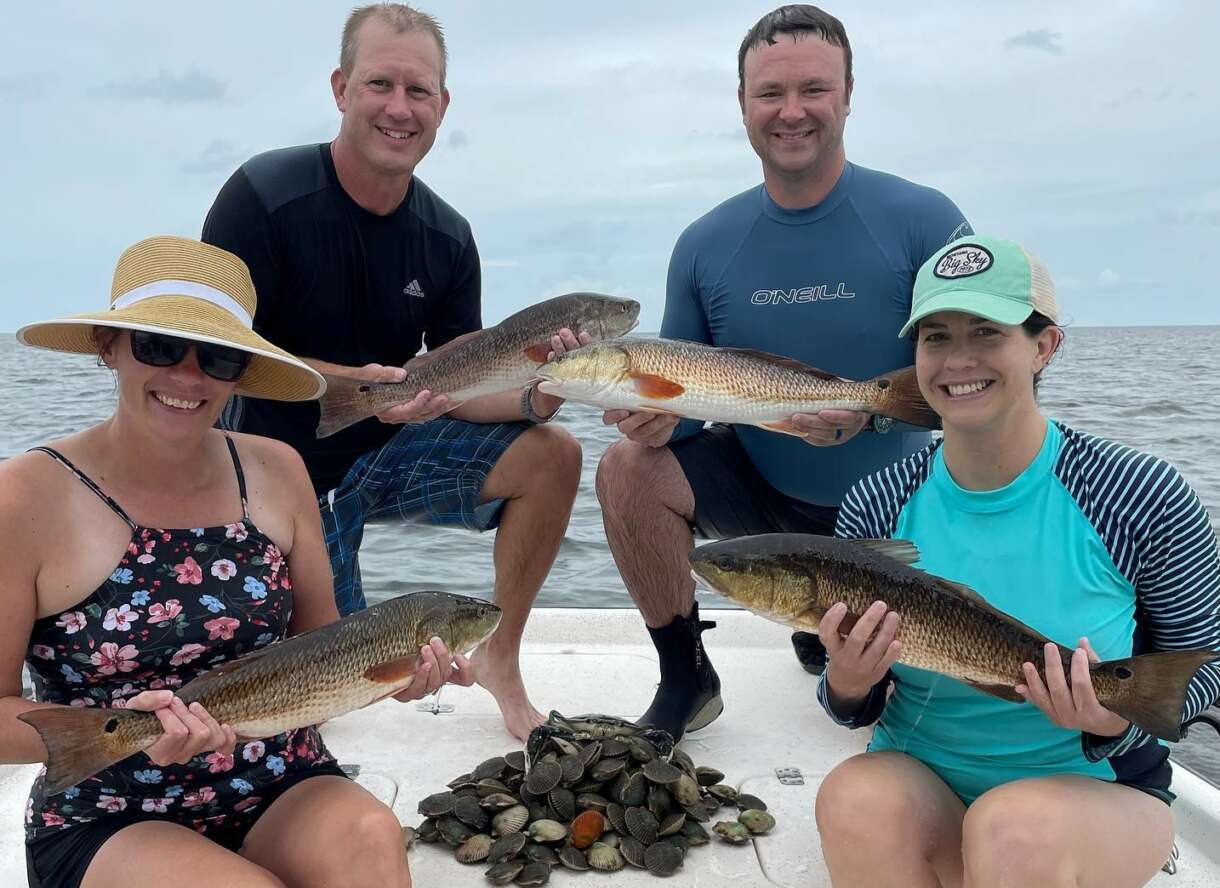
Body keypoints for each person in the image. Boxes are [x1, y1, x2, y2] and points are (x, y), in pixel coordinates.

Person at [4, 236, 472, 888]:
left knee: (371, 839)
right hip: (111, 808)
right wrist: (120, 732)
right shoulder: (24, 495)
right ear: (108, 347)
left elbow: (324, 647)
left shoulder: (278, 471)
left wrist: (396, 675)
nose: (189, 376)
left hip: (276, 775)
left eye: (219, 357)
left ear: (240, 373)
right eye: (159, 347)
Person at [202, 3, 586, 742]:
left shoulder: (447, 236)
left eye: (420, 91)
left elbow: (462, 391)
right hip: (275, 477)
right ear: (341, 87)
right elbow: (212, 361)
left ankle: (501, 658)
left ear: (443, 105)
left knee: (553, 452)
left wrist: (540, 392)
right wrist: (357, 385)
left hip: (385, 454)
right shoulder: (264, 197)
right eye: (381, 84)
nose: (399, 108)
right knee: (324, 706)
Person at [595, 4, 971, 741]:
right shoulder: (705, 244)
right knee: (626, 465)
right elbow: (688, 401)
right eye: (770, 93)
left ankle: (826, 625)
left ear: (849, 94)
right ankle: (686, 678)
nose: (791, 111)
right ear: (741, 103)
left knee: (911, 702)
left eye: (813, 89)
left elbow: (984, 375)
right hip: (763, 499)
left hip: (895, 510)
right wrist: (656, 417)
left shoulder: (923, 220)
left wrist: (877, 413)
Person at [813, 234, 1220, 887]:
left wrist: (1111, 719)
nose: (958, 359)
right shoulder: (876, 501)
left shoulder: (1139, 493)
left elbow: (1208, 663)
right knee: (851, 797)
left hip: (1096, 791)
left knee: (1013, 830)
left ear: (1044, 346)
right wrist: (848, 682)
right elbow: (847, 708)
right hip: (925, 778)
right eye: (935, 337)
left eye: (986, 332)